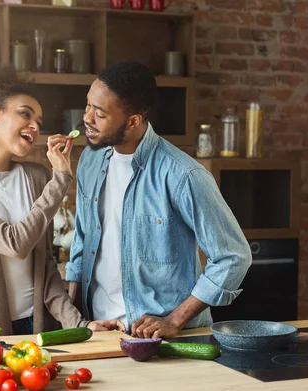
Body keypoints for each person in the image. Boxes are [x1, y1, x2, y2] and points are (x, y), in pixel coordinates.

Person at [0, 64, 123, 337]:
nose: (34, 127)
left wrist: (80, 325)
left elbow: (45, 268)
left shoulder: (36, 177)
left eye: (39, 122)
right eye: (25, 114)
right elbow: (14, 244)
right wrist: (61, 179)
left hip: (39, 327)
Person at [65, 61, 252, 339]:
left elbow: (233, 256)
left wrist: (174, 320)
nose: (87, 118)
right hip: (100, 332)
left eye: (100, 113)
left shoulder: (183, 175)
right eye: (88, 105)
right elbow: (82, 241)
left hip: (164, 339)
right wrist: (74, 318)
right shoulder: (90, 161)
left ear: (133, 121)